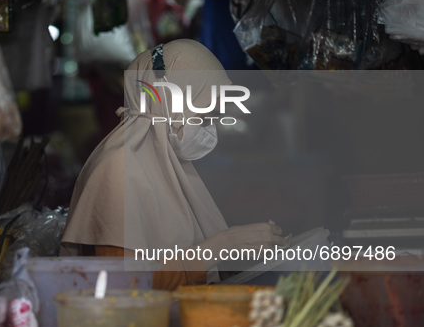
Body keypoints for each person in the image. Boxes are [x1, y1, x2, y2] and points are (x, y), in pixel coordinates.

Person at [60, 39, 284, 291]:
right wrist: (220, 246)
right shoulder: (118, 168)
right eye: (203, 114)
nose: (208, 127)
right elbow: (122, 283)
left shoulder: (168, 164)